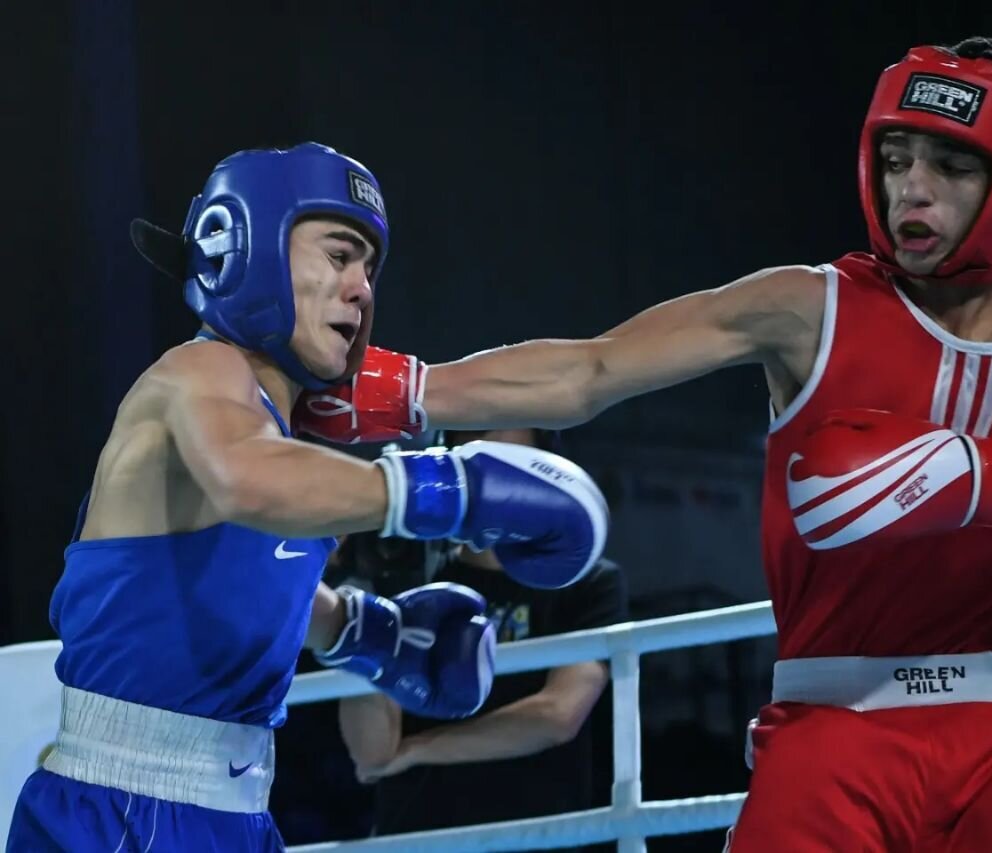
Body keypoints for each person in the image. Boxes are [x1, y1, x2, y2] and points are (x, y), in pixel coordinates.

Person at [294, 37, 992, 850]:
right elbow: (594, 368)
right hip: (834, 723)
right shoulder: (812, 307)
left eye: (949, 166)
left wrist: (976, 474)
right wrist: (402, 392)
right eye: (895, 157)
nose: (910, 188)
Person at [5, 143, 609, 852]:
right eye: (339, 254)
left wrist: (367, 631)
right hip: (122, 815)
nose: (361, 289)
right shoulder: (199, 372)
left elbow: (236, 576)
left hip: (234, 813)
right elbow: (244, 475)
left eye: (370, 269)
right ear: (252, 246)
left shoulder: (275, 431)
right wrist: (448, 488)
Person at [337, 428, 628, 845]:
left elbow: (559, 715)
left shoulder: (587, 582)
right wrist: (362, 613)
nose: (497, 486)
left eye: (514, 467)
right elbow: (372, 754)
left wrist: (418, 750)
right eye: (483, 466)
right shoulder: (412, 575)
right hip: (417, 833)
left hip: (537, 833)